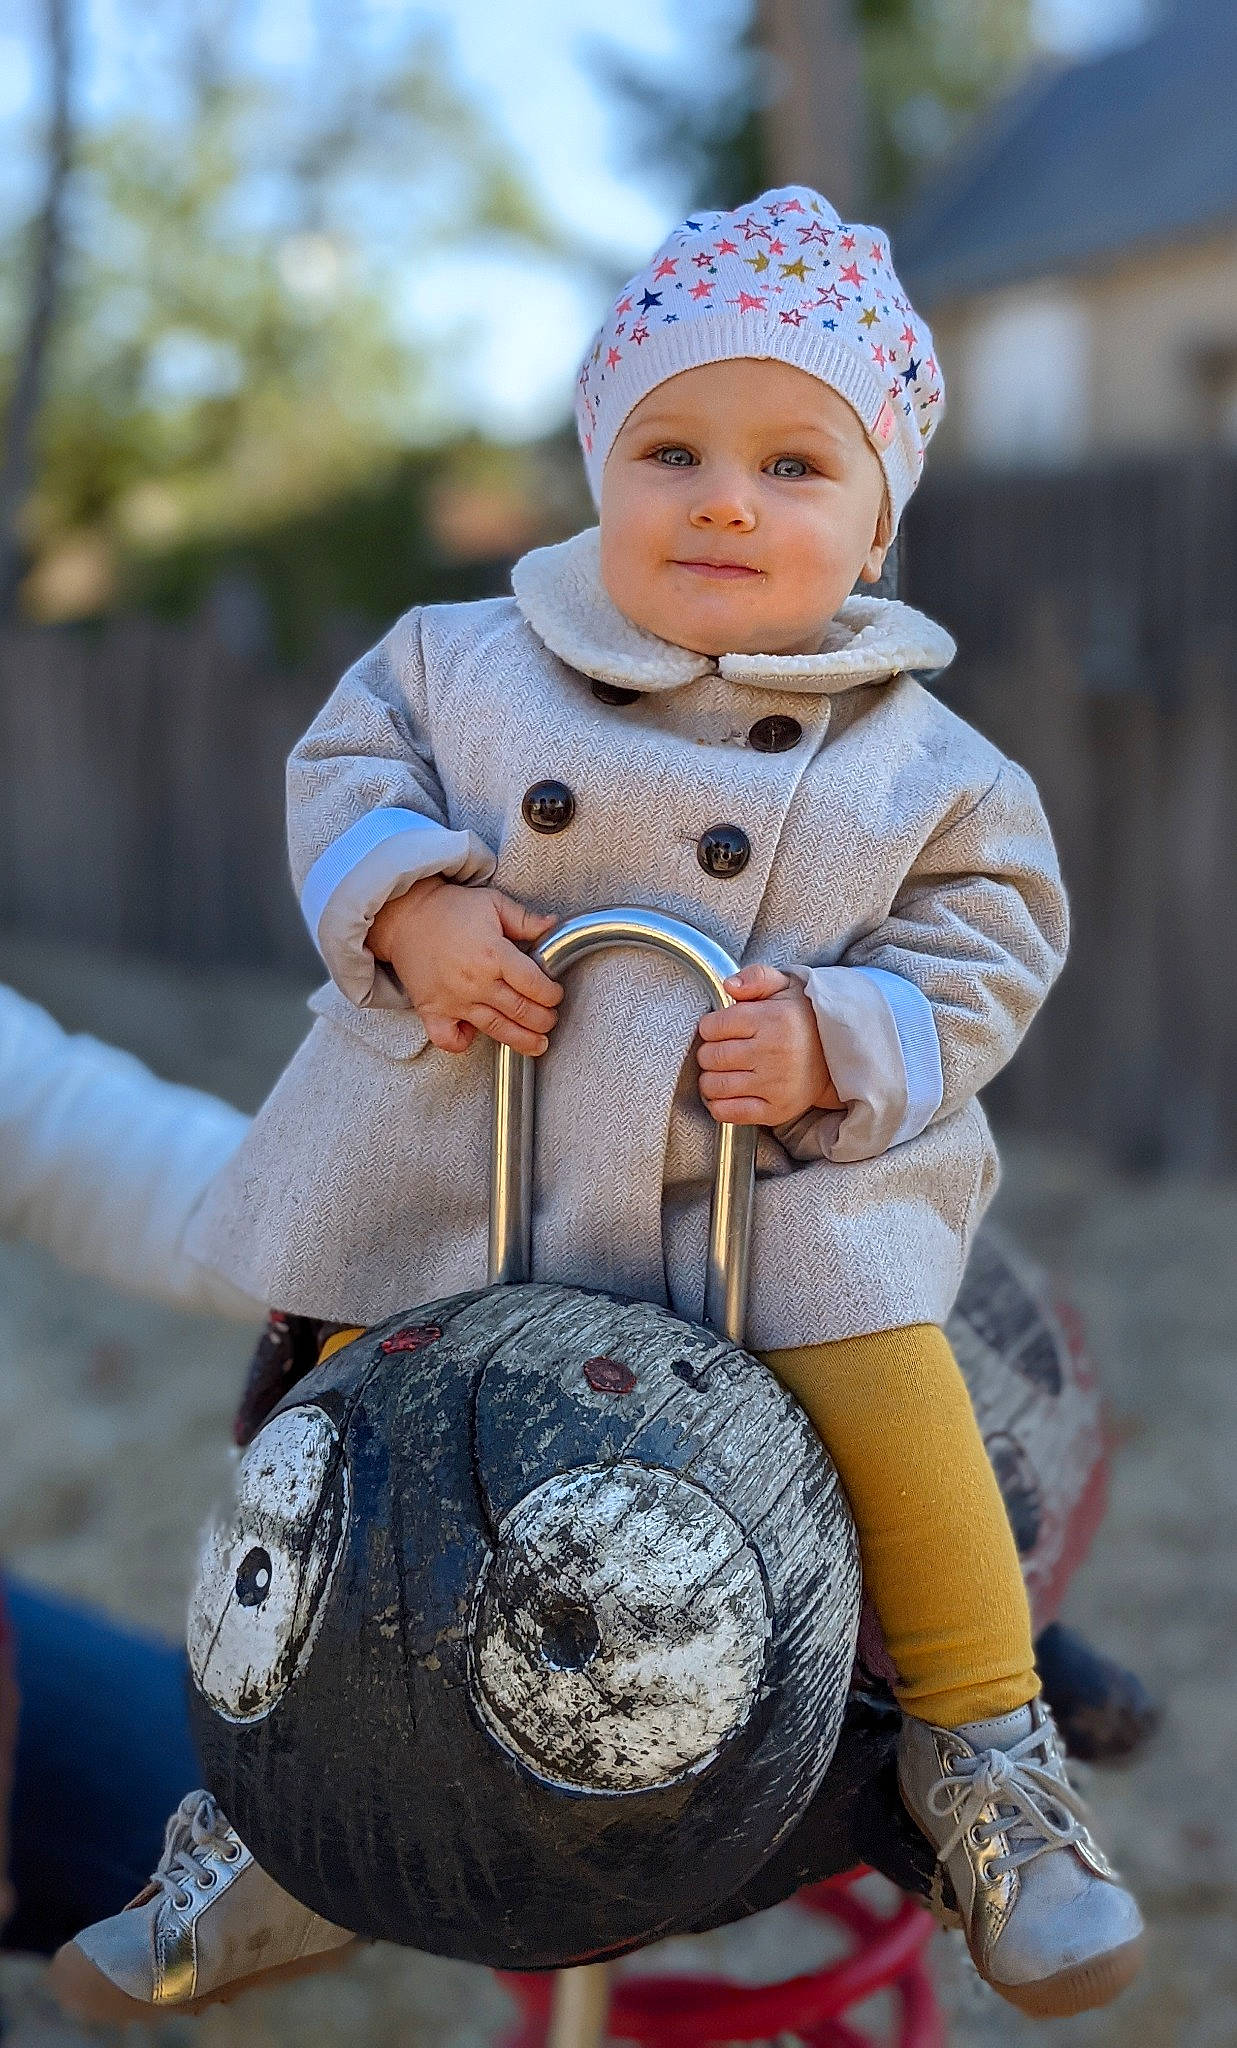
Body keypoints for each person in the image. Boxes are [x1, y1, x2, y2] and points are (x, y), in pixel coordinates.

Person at [54, 186, 1143, 2023]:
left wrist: (843, 1038)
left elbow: (991, 946)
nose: (723, 497)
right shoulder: (456, 660)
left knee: (894, 1379)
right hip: (466, 1147)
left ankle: (984, 1751)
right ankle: (273, 1814)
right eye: (670, 448)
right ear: (593, 464)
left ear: (876, 520)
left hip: (755, 1177)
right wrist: (409, 903)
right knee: (321, 1442)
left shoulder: (929, 766)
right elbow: (346, 774)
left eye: (796, 463)